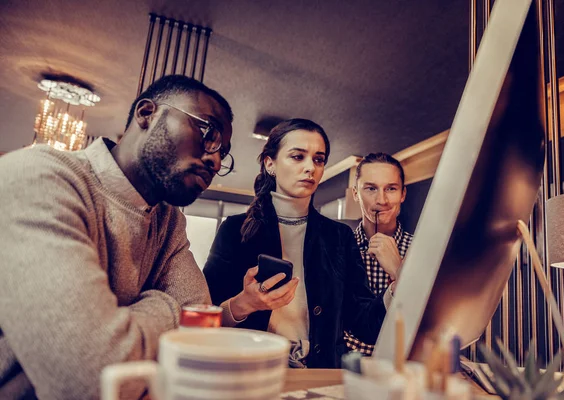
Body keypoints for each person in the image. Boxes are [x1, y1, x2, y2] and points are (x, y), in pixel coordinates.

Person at [0, 75, 234, 399]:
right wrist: (168, 306)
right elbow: (94, 379)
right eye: (208, 132)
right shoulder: (39, 177)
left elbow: (204, 326)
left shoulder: (168, 222)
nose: (216, 159)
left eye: (224, 151)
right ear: (147, 113)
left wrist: (119, 330)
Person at [203, 119, 394, 369]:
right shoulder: (234, 230)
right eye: (297, 157)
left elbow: (365, 327)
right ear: (270, 164)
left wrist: (398, 283)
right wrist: (244, 304)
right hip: (251, 372)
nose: (310, 168)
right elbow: (204, 316)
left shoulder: (339, 237)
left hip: (320, 375)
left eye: (318, 159)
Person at [344, 152, 414, 356]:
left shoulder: (424, 249)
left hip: (404, 364)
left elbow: (432, 319)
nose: (381, 200)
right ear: (356, 193)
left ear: (403, 194)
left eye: (391, 189)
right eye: (371, 188)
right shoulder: (337, 248)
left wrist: (399, 270)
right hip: (346, 365)